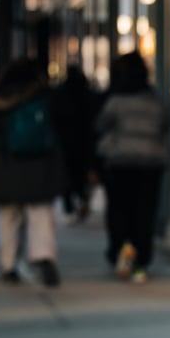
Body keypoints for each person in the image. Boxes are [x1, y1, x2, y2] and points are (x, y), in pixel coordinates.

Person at [0, 56, 65, 286]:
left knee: (9, 217)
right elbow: (60, 128)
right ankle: (44, 257)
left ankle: (8, 265)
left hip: (8, 164)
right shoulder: (43, 96)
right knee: (40, 213)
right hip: (40, 163)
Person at [95, 51, 169, 283]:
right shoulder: (155, 101)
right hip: (150, 162)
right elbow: (165, 125)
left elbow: (101, 126)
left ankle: (122, 248)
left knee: (119, 209)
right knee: (144, 211)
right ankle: (141, 262)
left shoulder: (115, 101)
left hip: (119, 161)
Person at [50, 63, 98, 222]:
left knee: (68, 175)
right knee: (81, 174)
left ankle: (70, 206)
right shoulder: (87, 94)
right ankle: (80, 199)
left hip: (66, 141)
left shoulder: (60, 94)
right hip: (84, 141)